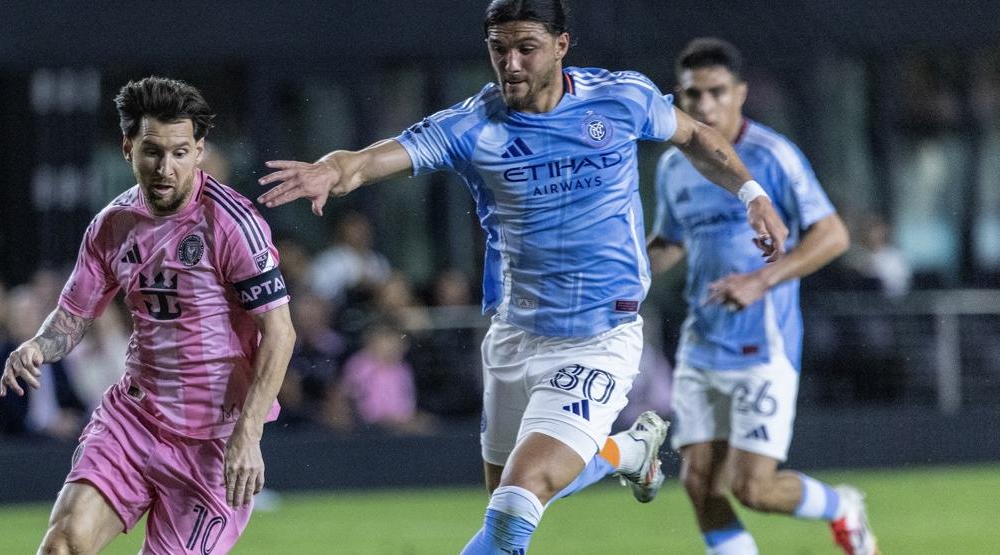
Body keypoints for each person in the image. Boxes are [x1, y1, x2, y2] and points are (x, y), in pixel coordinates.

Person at [258, 1, 789, 552]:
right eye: (498, 49)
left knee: (518, 499)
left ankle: (624, 453)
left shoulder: (620, 98)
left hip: (599, 338)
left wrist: (752, 195)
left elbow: (698, 137)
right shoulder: (472, 126)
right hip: (513, 336)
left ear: (561, 45)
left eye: (526, 48)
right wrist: (332, 169)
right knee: (504, 510)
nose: (510, 64)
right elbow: (370, 160)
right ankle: (628, 452)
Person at [0, 76, 295, 555]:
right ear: (127, 148)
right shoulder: (111, 226)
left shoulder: (233, 225)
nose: (165, 167)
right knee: (62, 546)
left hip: (213, 444)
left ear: (199, 152)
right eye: (152, 151)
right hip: (134, 419)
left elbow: (280, 332)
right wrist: (36, 345)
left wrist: (250, 433)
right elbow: (74, 315)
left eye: (180, 152)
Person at [646, 38, 875, 555]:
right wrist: (618, 277)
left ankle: (842, 507)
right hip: (701, 343)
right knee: (700, 484)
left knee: (753, 488)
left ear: (741, 93)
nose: (704, 106)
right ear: (678, 99)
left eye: (716, 92)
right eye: (692, 95)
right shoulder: (673, 166)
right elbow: (670, 242)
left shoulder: (773, 156)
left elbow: (833, 235)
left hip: (762, 347)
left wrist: (760, 281)